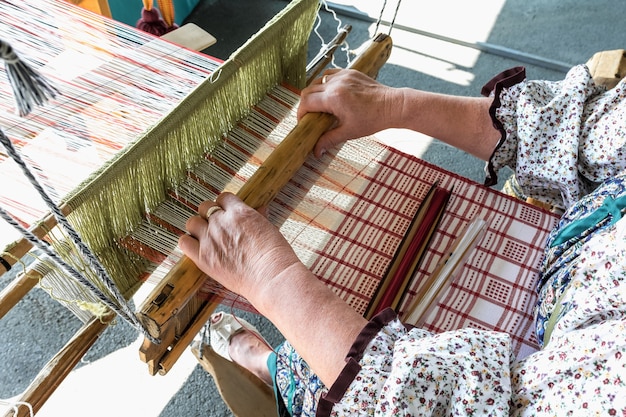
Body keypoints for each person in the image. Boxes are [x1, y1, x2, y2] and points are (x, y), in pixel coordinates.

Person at [178, 63, 626, 416]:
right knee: (337, 339)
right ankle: (273, 366)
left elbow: (434, 407)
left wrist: (271, 277)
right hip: (580, 254)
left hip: (546, 364)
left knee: (327, 377)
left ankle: (267, 368)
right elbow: (584, 131)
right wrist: (398, 104)